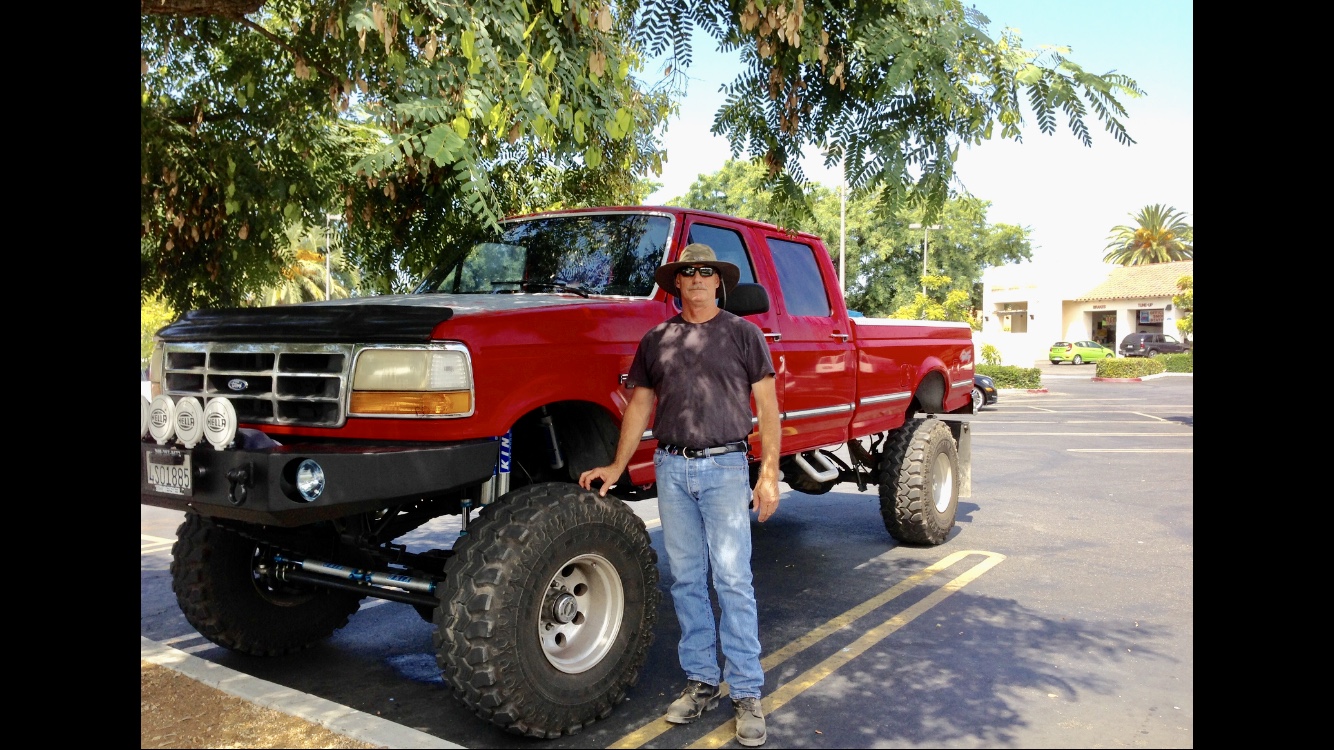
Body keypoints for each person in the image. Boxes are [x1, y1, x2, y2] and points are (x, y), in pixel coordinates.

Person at [579, 243, 780, 747]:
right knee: (687, 580)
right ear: (676, 284)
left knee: (733, 580)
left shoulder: (742, 334)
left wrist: (770, 472)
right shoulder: (657, 340)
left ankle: (747, 693)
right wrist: (617, 465)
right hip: (672, 469)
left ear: (718, 282)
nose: (695, 279)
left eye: (705, 272)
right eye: (686, 273)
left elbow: (769, 407)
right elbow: (640, 405)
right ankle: (702, 681)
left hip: (725, 467)